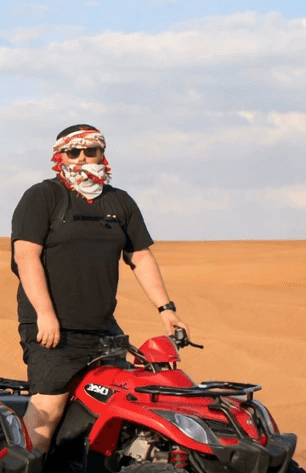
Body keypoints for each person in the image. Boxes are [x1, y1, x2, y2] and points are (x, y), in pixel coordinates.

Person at [10, 124, 187, 452]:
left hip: (104, 333)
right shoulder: (43, 197)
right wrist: (46, 315)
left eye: (91, 150)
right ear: (59, 155)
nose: (82, 158)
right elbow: (26, 257)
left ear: (102, 154)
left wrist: (167, 309)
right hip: (54, 332)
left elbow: (140, 256)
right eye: (73, 152)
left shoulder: (119, 202)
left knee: (122, 406)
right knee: (47, 412)